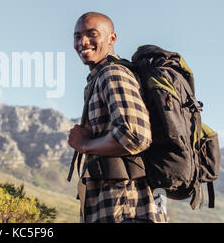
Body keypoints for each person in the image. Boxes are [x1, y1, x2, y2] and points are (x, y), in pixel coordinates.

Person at [68, 12, 168, 223]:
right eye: (77, 36)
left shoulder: (113, 74)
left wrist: (85, 144)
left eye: (91, 34)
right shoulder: (97, 79)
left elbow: (135, 136)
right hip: (114, 206)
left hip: (129, 208)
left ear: (112, 38)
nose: (82, 42)